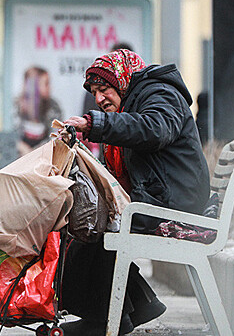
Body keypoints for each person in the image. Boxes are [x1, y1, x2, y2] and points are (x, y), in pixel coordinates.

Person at [59, 49, 210, 335]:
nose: (99, 98)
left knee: (93, 224)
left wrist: (96, 125)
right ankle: (138, 306)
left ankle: (102, 319)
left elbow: (155, 129)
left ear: (122, 80)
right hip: (162, 197)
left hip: (176, 203)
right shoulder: (133, 101)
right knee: (91, 215)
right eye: (94, 92)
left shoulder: (160, 93)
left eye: (104, 89)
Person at [15, 66, 62, 156]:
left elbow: (55, 135)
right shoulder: (16, 105)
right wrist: (22, 148)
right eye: (46, 83)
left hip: (42, 156)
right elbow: (10, 135)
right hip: (18, 156)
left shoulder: (53, 106)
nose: (50, 87)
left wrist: (34, 153)